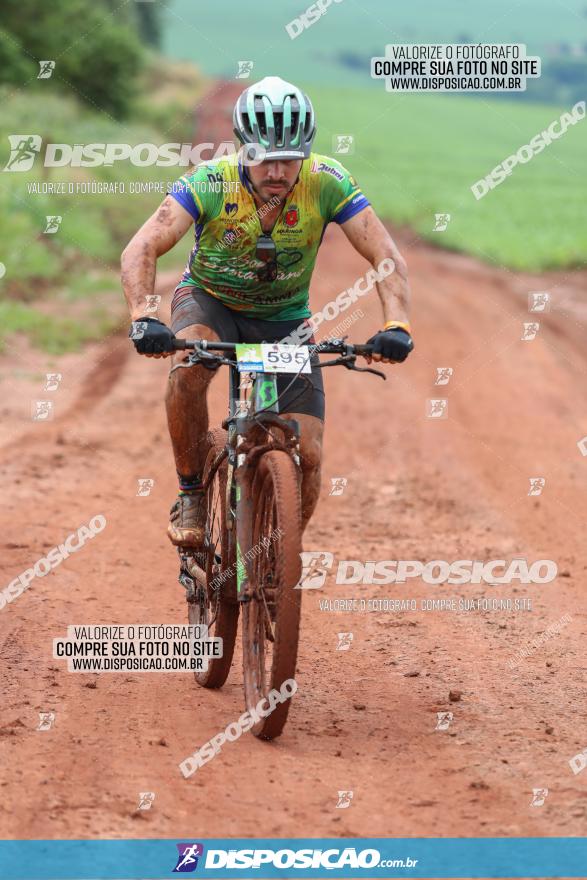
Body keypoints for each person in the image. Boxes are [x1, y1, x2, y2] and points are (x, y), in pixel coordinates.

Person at [121, 76, 413, 552]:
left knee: (311, 454)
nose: (277, 171)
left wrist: (396, 324)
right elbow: (143, 246)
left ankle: (277, 557)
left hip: (284, 319)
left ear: (306, 154)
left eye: (289, 159)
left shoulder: (327, 181)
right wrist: (142, 314)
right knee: (189, 367)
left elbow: (385, 254)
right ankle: (191, 493)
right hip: (211, 299)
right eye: (264, 159)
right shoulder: (209, 181)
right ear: (242, 151)